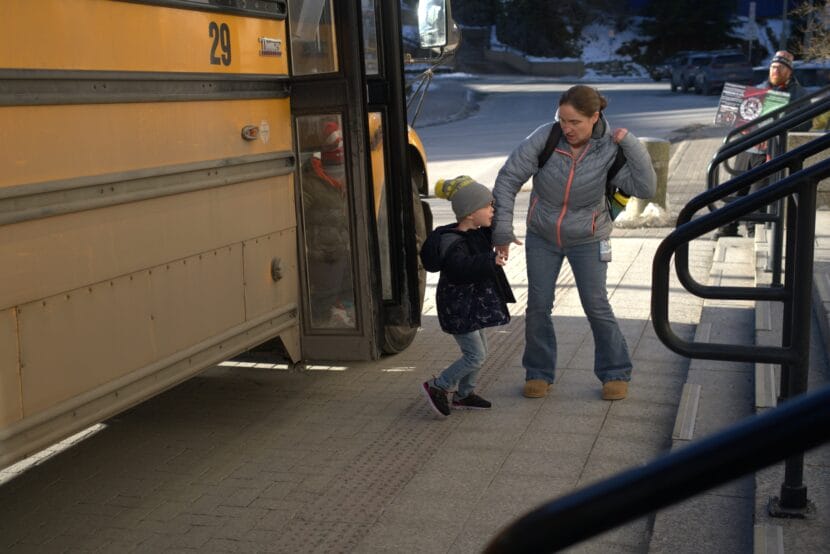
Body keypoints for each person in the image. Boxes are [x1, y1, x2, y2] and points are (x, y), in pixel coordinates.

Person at [491, 85, 656, 401]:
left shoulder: (610, 149)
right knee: (538, 306)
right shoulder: (547, 137)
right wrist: (501, 230)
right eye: (562, 120)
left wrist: (630, 143)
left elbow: (646, 188)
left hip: (589, 238)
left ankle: (615, 372)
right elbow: (508, 179)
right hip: (542, 235)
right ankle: (538, 372)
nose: (566, 128)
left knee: (596, 306)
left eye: (574, 122)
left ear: (595, 117)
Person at [419, 176, 516, 417]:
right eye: (488, 206)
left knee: (479, 352)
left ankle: (464, 395)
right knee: (475, 355)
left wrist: (504, 235)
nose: (492, 210)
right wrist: (489, 260)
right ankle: (438, 386)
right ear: (471, 213)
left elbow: (496, 224)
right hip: (459, 309)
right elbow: (459, 270)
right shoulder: (453, 242)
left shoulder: (476, 231)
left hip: (471, 308)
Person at [717, 50, 808, 237]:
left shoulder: (799, 94)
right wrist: (739, 122)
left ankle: (753, 231)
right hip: (748, 148)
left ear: (789, 71)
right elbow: (743, 117)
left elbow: (806, 122)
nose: (775, 71)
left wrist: (783, 127)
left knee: (758, 192)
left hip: (771, 150)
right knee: (736, 188)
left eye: (781, 68)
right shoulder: (758, 89)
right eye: (773, 67)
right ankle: (727, 228)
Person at [301, 120, 355, 327]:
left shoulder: (343, 180)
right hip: (322, 253)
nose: (341, 174)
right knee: (324, 296)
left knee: (344, 289)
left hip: (340, 249)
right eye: (337, 169)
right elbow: (298, 216)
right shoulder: (310, 183)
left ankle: (337, 313)